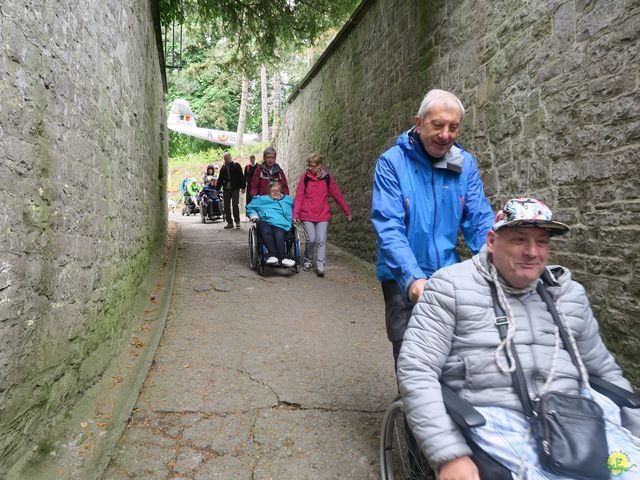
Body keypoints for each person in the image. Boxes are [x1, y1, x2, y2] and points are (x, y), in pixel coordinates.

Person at [397, 198, 640, 480]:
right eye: (519, 240)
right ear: (491, 240)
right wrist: (449, 454)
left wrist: (635, 427)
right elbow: (417, 370)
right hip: (493, 420)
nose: (532, 252)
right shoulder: (449, 288)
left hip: (574, 419)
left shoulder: (569, 294)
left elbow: (604, 369)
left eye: (542, 242)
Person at [371, 89, 494, 365]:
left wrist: (496, 262)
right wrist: (412, 279)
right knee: (409, 353)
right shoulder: (391, 163)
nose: (446, 135)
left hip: (449, 273)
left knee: (457, 353)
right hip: (402, 274)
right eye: (437, 125)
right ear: (419, 123)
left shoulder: (464, 164)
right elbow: (388, 226)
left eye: (453, 127)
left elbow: (479, 219)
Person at [293, 153, 352, 277]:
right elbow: (299, 197)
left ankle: (320, 265)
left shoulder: (327, 178)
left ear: (319, 165)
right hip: (307, 214)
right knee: (311, 239)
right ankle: (308, 261)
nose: (310, 168)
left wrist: (347, 211)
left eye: (313, 166)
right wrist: (296, 214)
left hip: (322, 215)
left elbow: (337, 195)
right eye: (309, 166)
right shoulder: (305, 178)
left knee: (321, 240)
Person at [246, 182, 296, 268]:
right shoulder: (261, 200)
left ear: (281, 191)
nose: (275, 192)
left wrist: (296, 216)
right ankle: (273, 256)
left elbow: (297, 208)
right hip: (265, 221)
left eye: (277, 190)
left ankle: (282, 257)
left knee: (278, 233)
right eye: (273, 191)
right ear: (269, 192)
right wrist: (253, 214)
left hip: (281, 224)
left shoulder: (288, 200)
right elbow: (250, 207)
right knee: (265, 230)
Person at [216, 152, 245, 229]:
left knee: (235, 204)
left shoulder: (236, 165)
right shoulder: (223, 167)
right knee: (226, 206)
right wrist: (217, 189)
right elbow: (220, 179)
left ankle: (237, 221)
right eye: (225, 158)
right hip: (226, 189)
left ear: (230, 157)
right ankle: (229, 222)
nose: (226, 160)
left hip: (235, 188)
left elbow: (241, 176)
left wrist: (243, 187)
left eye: (227, 158)